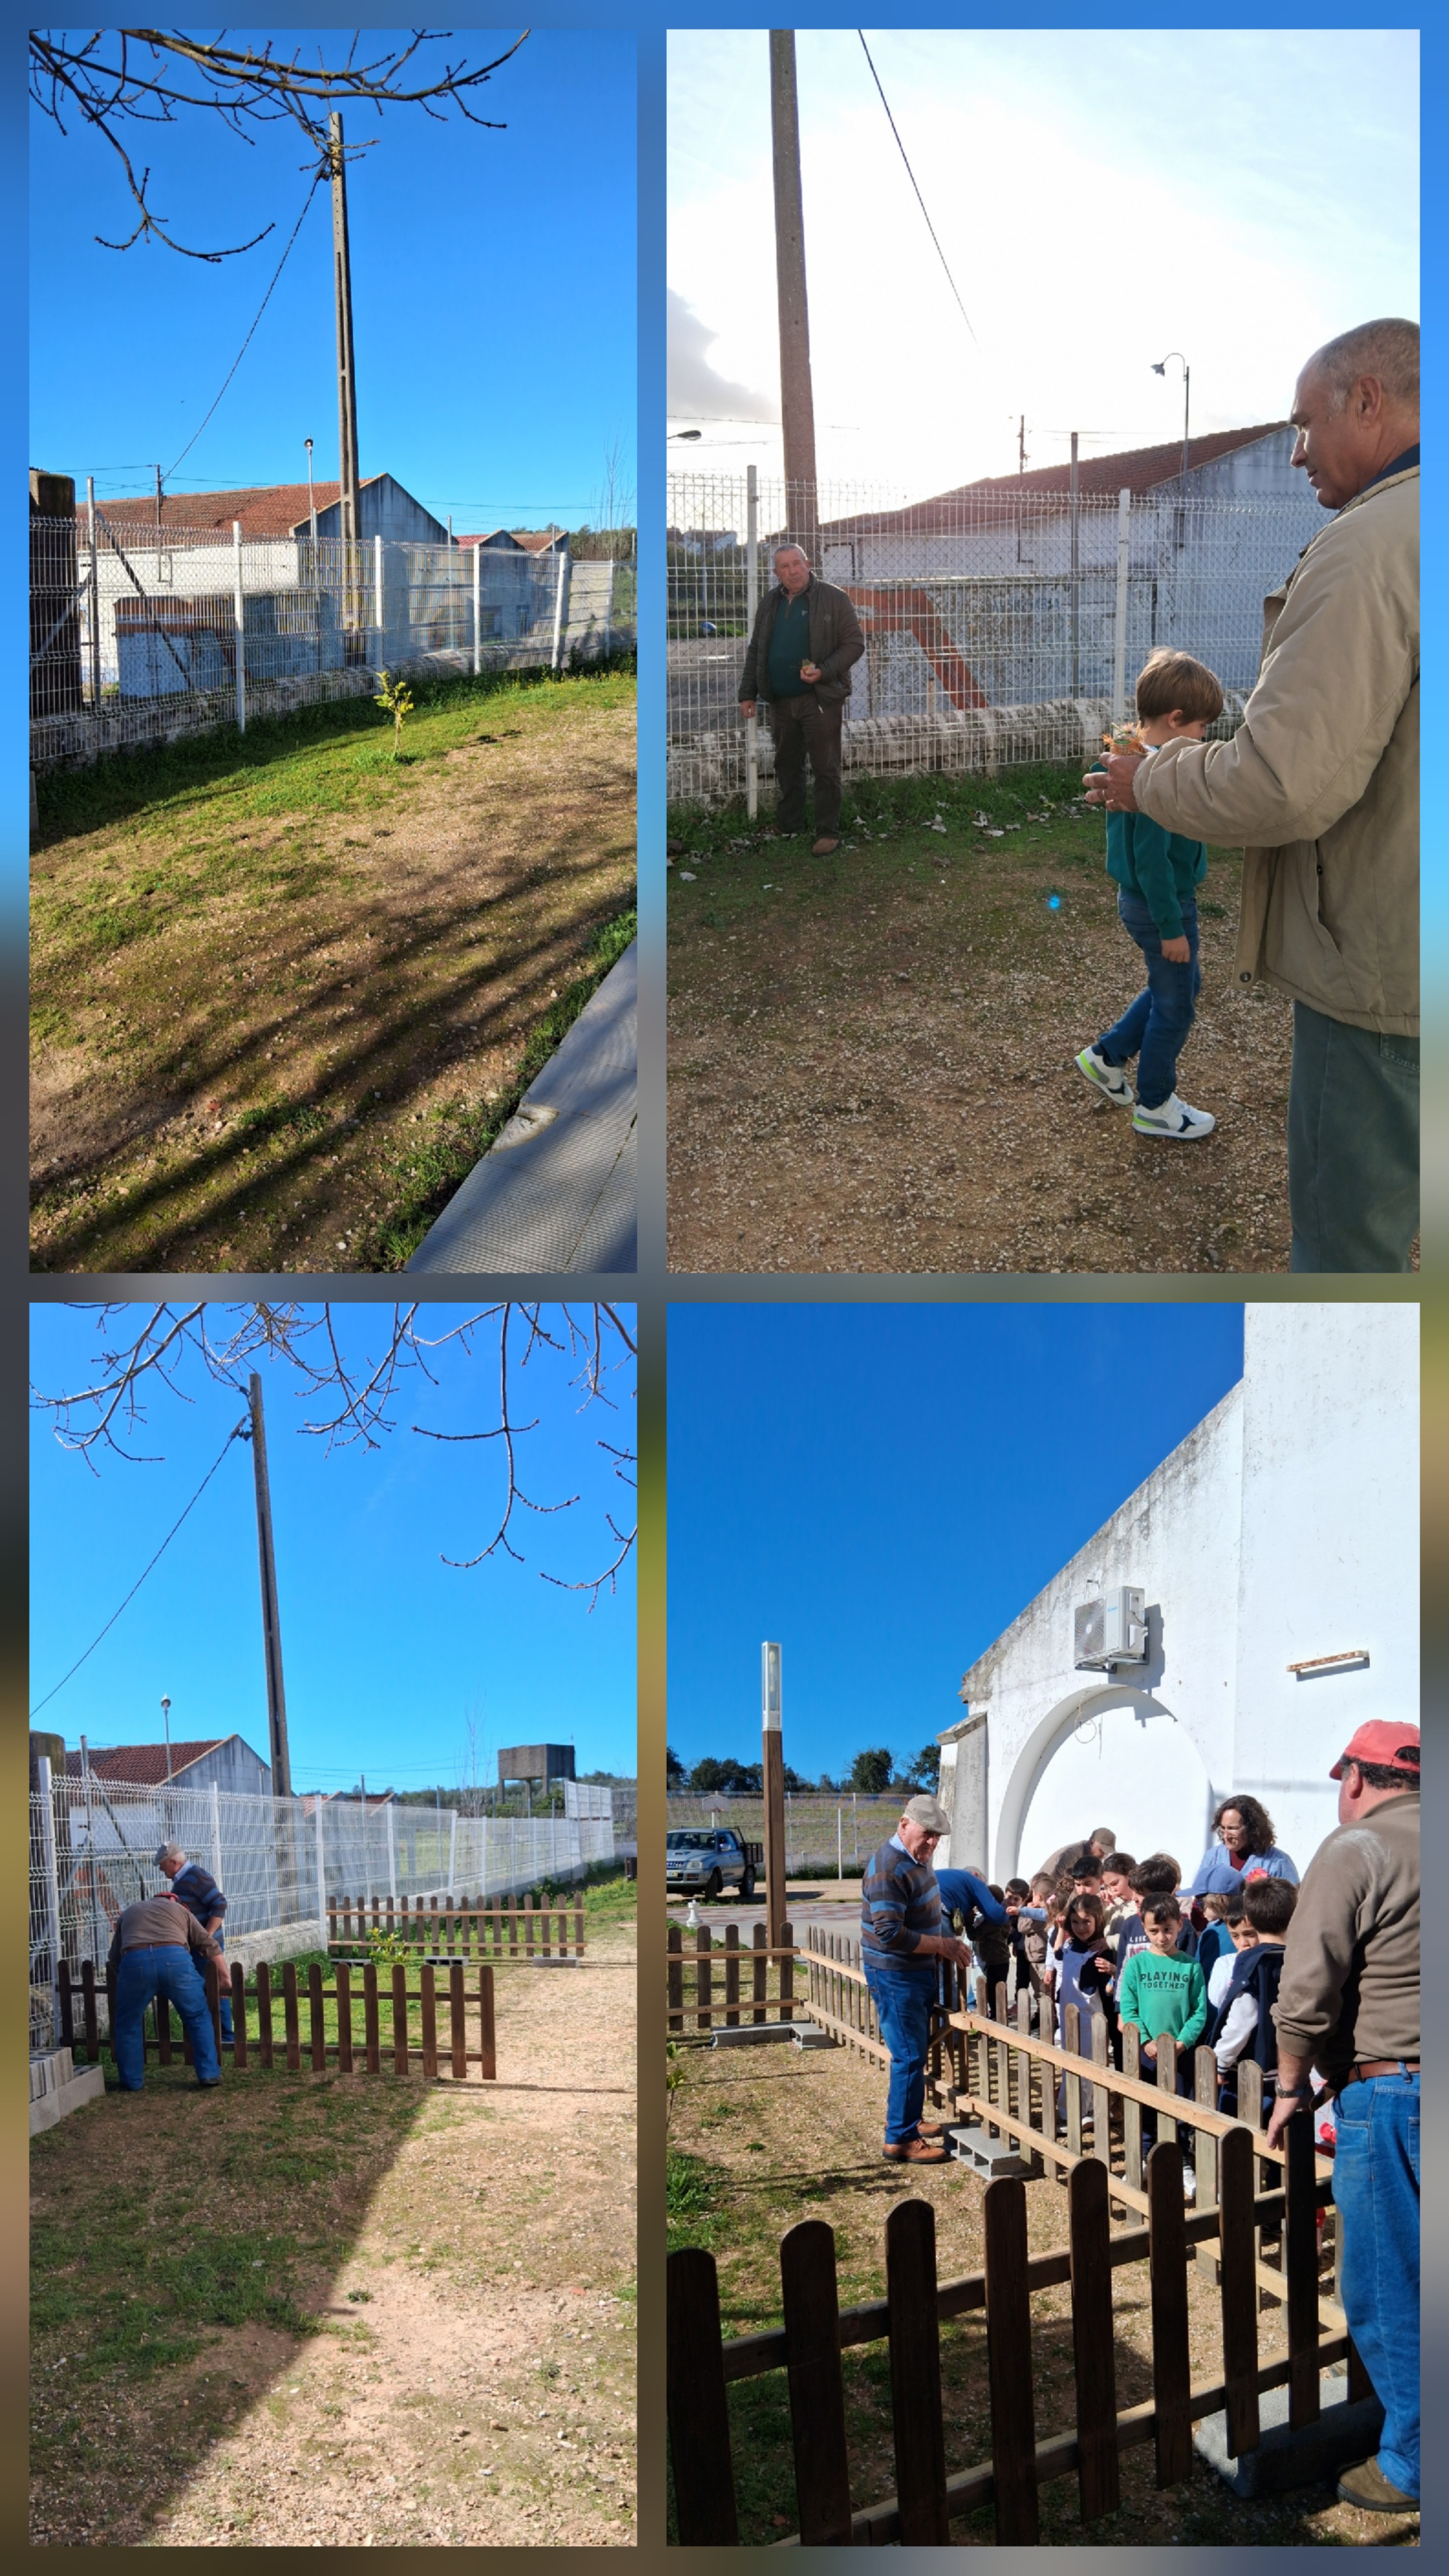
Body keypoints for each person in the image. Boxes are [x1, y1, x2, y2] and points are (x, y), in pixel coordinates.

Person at [1086, 319, 1419, 1271]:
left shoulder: (1370, 550)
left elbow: (1282, 780)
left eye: (1306, 423)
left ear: (1370, 399)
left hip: (1385, 969)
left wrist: (1151, 780)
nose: (1298, 452)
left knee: (1348, 1245)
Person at [1265, 1721, 1419, 2513]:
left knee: (1387, 2283)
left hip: (1397, 2092)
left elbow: (1308, 1980)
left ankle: (1417, 2462)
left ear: (1356, 1779)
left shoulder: (1356, 1848)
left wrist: (1290, 2084)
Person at [1075, 649, 1226, 1140]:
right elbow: (1152, 862)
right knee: (1176, 1005)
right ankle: (1155, 1105)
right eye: (1202, 727)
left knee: (1178, 988)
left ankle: (1107, 1056)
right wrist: (1171, 928)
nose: (1205, 738)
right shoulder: (1155, 777)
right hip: (1162, 906)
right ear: (1176, 718)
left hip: (1137, 901)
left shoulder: (1130, 756)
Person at [859, 1794, 973, 2164]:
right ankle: (900, 2139)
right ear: (904, 1824)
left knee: (914, 2050)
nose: (932, 1843)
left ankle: (910, 2120)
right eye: (927, 1834)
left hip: (912, 1971)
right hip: (896, 1974)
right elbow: (890, 1934)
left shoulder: (913, 1859)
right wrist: (941, 1944)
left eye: (937, 1837)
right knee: (908, 2055)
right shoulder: (888, 1868)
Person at [738, 545, 865, 857]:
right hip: (781, 701)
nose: (792, 571)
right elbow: (757, 649)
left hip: (819, 699)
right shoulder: (770, 602)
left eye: (797, 563)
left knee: (825, 766)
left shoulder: (834, 598)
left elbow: (854, 644)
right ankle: (790, 822)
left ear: (808, 564)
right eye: (784, 566)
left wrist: (823, 672)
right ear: (776, 572)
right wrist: (747, 692)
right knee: (787, 764)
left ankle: (827, 831)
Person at [1116, 1894, 1208, 2196]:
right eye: (1154, 1931)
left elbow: (1198, 2011)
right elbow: (1128, 2009)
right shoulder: (1136, 1965)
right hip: (1145, 2054)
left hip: (1180, 2054)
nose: (1162, 1936)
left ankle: (1181, 2161)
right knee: (1145, 2106)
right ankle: (1144, 2158)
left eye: (1168, 1929)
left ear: (1180, 1926)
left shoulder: (1191, 1967)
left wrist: (1182, 2042)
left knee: (1179, 2109)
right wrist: (1145, 2041)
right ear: (1144, 1928)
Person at [106, 1888, 226, 2091]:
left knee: (128, 2023)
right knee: (197, 2016)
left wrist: (131, 1981)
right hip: (175, 1959)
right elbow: (208, 1944)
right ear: (174, 1900)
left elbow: (115, 1958)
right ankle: (208, 2074)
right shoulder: (181, 1911)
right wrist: (225, 1976)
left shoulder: (130, 1912)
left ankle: (131, 2081)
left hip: (134, 1960)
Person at [1208, 1876, 1297, 2112]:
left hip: (1251, 2068)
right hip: (1291, 2065)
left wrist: (1220, 2062)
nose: (1244, 1943)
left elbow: (1243, 2017)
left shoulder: (1252, 1962)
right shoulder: (1299, 1957)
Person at [157, 1841, 233, 2045]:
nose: (162, 1871)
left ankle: (226, 2037)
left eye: (162, 1866)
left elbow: (219, 1903)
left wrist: (206, 1937)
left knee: (216, 1988)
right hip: (197, 1947)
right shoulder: (184, 1880)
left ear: (173, 1862)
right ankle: (214, 2035)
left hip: (205, 1948)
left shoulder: (195, 1877)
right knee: (205, 1987)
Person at [1184, 1796, 1299, 1906]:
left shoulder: (1278, 1862)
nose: (1225, 1836)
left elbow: (1293, 1903)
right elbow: (1199, 1897)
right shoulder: (1213, 1856)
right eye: (1222, 1828)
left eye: (1232, 1829)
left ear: (1252, 1829)